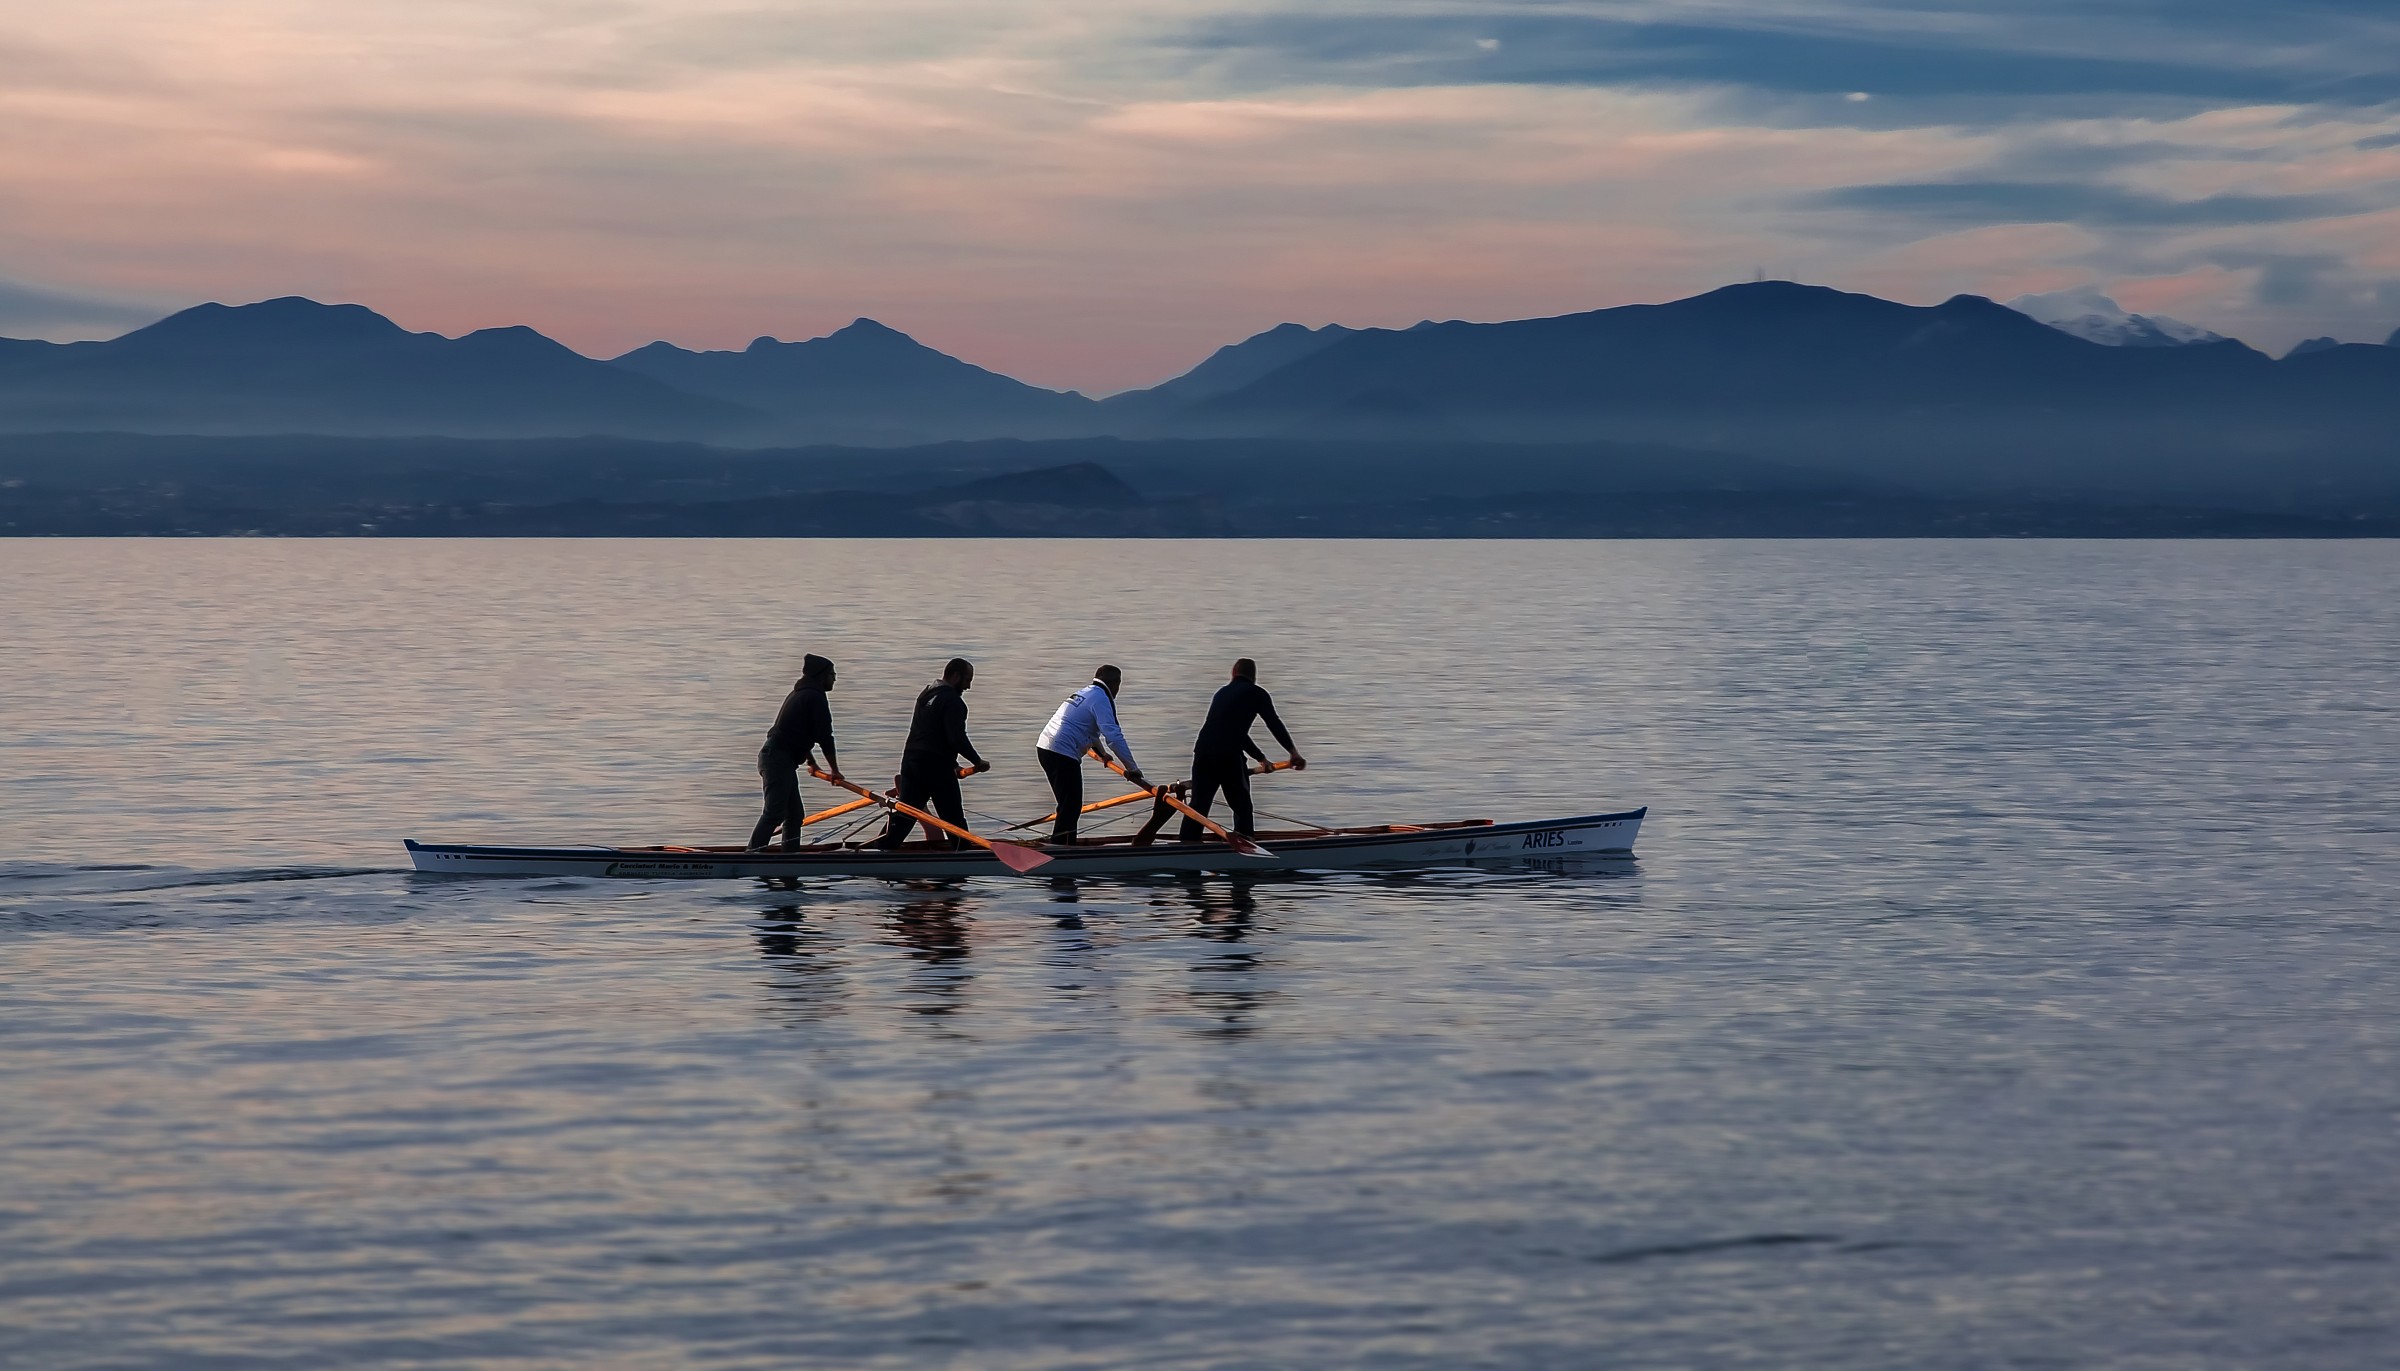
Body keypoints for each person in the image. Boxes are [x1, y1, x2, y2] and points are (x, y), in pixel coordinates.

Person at [1179, 657, 1306, 841]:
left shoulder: (1221, 693)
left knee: (1199, 805)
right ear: (1254, 677)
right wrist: (1293, 753)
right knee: (1242, 807)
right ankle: (1245, 842)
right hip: (1228, 755)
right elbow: (1273, 723)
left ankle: (1187, 844)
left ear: (1233, 673)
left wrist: (1261, 758)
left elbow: (1233, 731)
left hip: (1202, 752)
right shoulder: (1257, 693)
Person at [877, 658, 991, 848]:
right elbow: (956, 738)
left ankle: (879, 849)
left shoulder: (927, 694)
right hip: (935, 766)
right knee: (953, 816)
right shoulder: (953, 701)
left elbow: (931, 732)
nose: (969, 686)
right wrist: (977, 761)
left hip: (912, 761)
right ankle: (963, 854)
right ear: (955, 676)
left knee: (906, 813)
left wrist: (954, 765)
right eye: (967, 680)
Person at [1036, 664, 1146, 845]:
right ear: (1115, 683)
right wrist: (1132, 768)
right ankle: (1061, 849)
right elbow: (1114, 737)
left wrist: (1102, 753)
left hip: (1045, 747)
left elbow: (1087, 727)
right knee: (1070, 806)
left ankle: (1062, 844)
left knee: (1067, 806)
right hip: (1061, 752)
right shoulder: (1102, 699)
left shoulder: (1086, 692)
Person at [749, 654, 842, 852]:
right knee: (774, 813)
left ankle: (788, 857)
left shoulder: (803, 694)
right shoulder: (814, 697)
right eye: (832, 674)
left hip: (780, 758)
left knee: (794, 815)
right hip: (777, 759)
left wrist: (813, 763)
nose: (834, 678)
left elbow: (798, 733)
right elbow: (825, 737)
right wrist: (835, 771)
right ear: (821, 676)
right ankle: (752, 855)